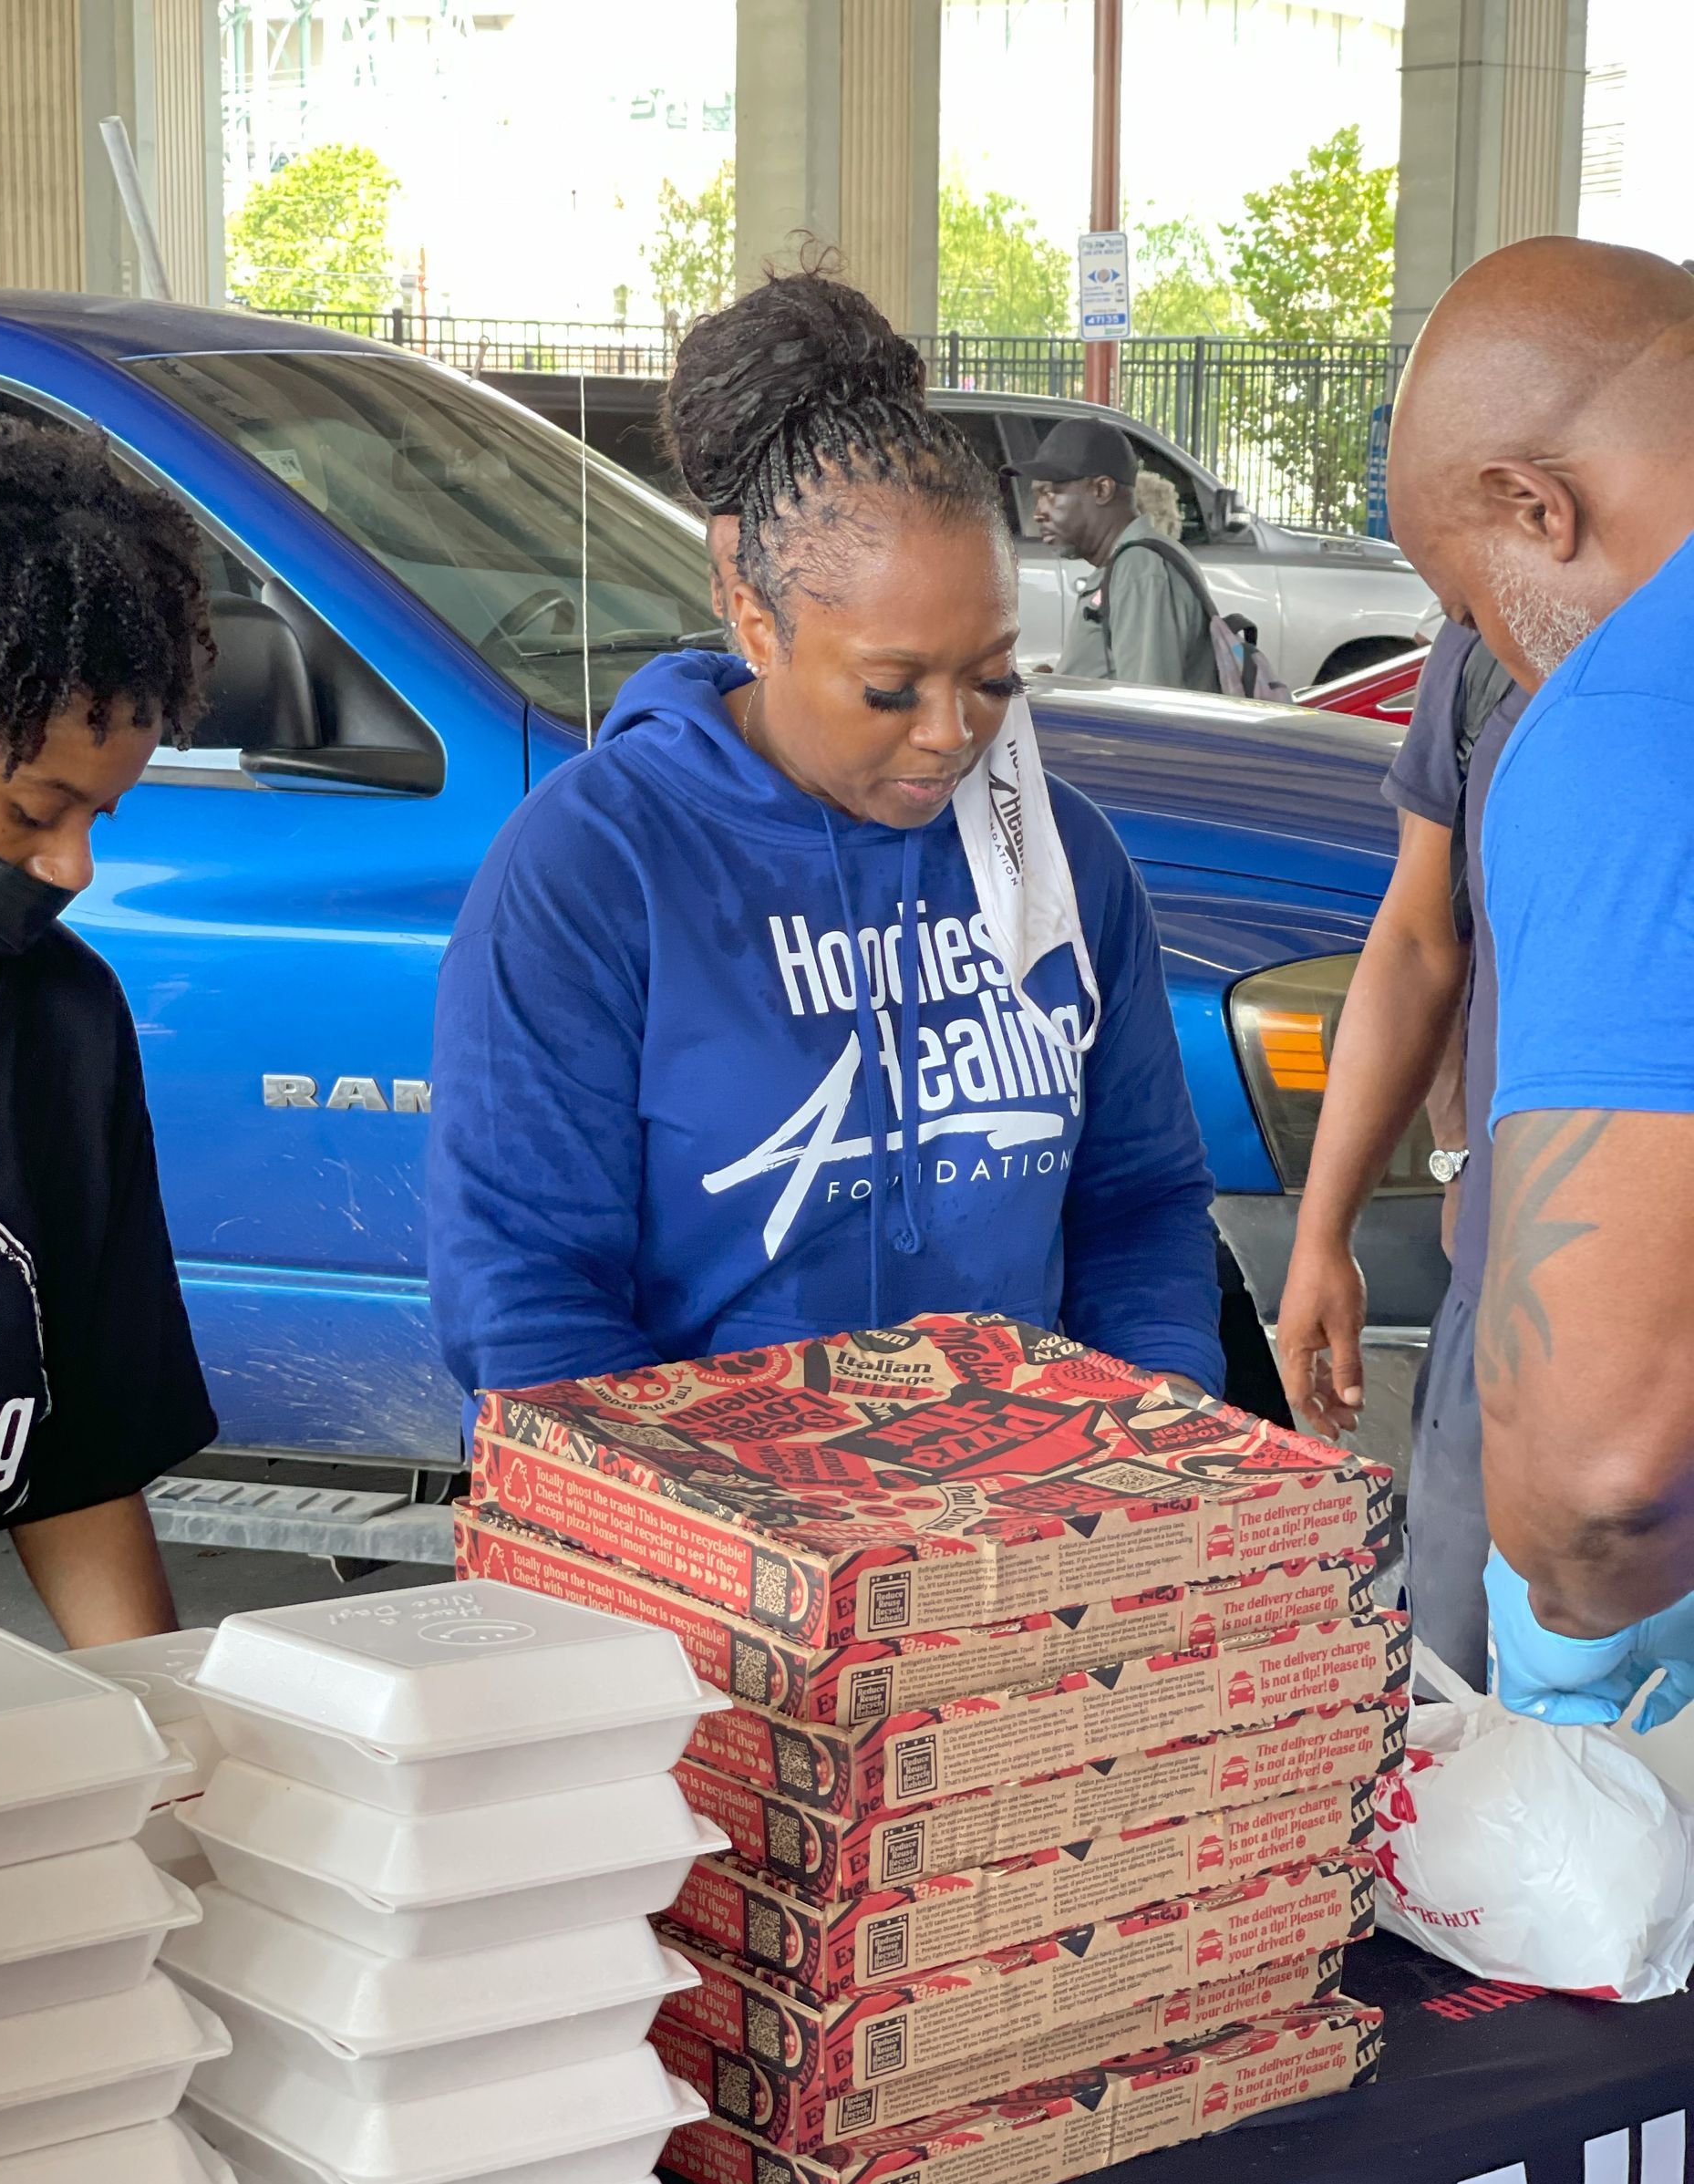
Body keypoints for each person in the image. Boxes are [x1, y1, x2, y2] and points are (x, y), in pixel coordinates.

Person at [429, 272, 1224, 1409]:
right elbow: (524, 1288)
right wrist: (729, 1543)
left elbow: (1138, 1199)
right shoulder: (594, 867)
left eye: (993, 676)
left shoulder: (1063, 859)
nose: (954, 735)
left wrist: (1148, 1438)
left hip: (1014, 1526)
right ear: (758, 622)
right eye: (891, 690)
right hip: (687, 1543)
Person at [1386, 234, 1694, 1723]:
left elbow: (1601, 1483)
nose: (1486, 649)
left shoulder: (1625, 719)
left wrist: (1573, 1625)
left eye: (1470, 599)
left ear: (1532, 508)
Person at [0, 419, 215, 1643]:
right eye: (36, 809)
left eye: (101, 815)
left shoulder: (63, 1025)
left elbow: (78, 1464)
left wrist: (170, 1757)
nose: (71, 864)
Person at [1276, 621, 1524, 1682]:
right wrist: (1323, 1230)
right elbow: (1424, 938)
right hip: (1505, 1305)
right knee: (1465, 1724)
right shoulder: (1481, 660)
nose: (1453, 602)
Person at [1013, 417, 1218, 692]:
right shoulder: (1125, 564)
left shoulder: (1141, 568)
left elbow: (1148, 707)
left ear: (1102, 490)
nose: (1038, 512)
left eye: (1049, 493)